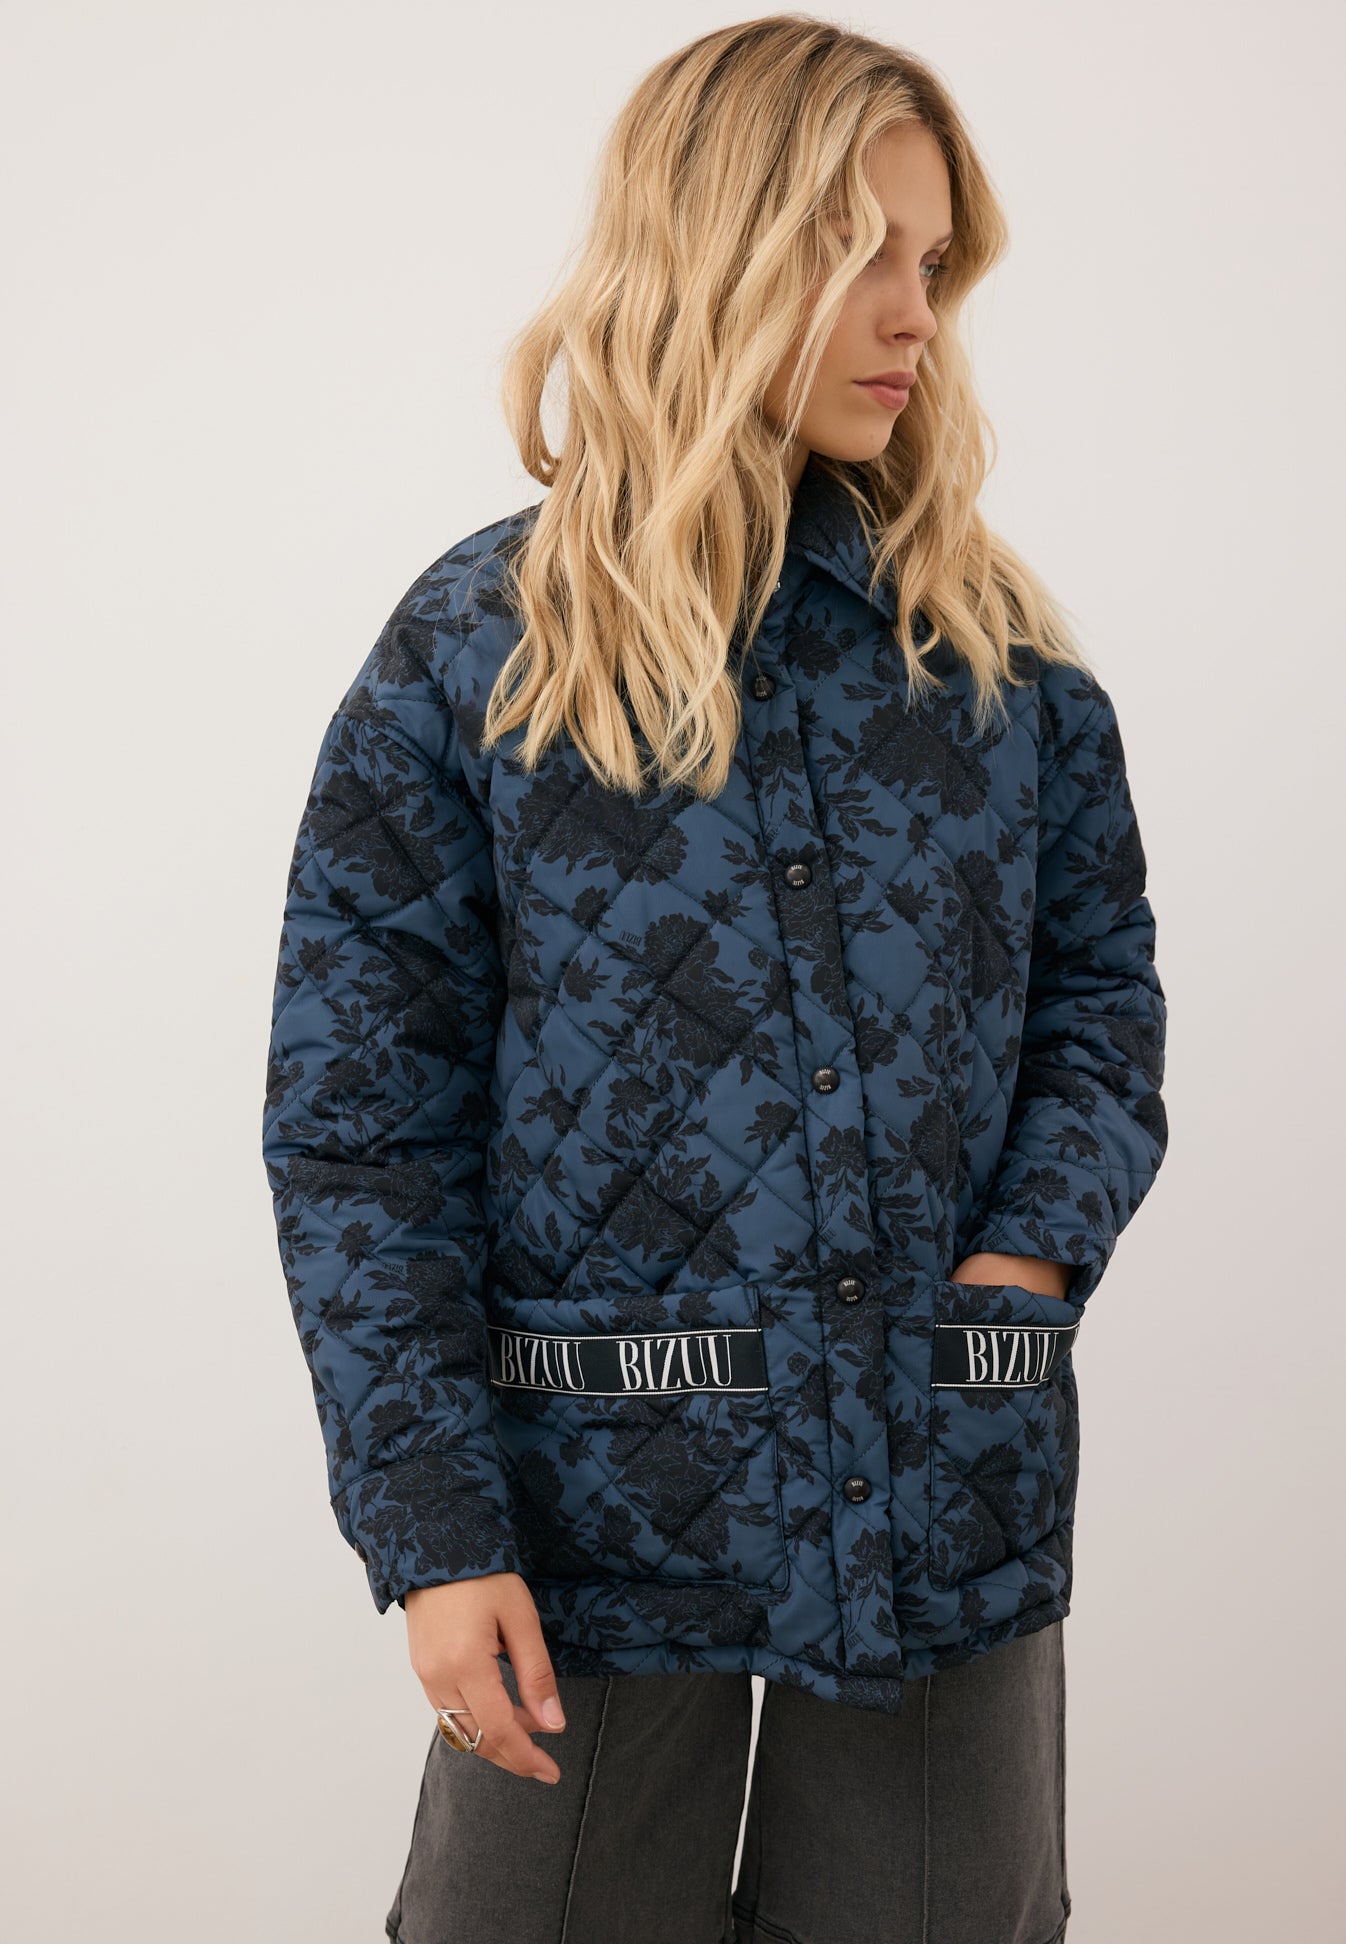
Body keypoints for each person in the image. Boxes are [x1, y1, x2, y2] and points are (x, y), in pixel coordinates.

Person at [261, 16, 1167, 1942]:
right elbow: (360, 1132)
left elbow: (1099, 1009)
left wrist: (1019, 1275)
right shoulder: (479, 653)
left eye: (932, 261)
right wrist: (432, 1534)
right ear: (716, 248)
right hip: (586, 1506)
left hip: (940, 1471)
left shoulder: (995, 661)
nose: (912, 313)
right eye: (858, 250)